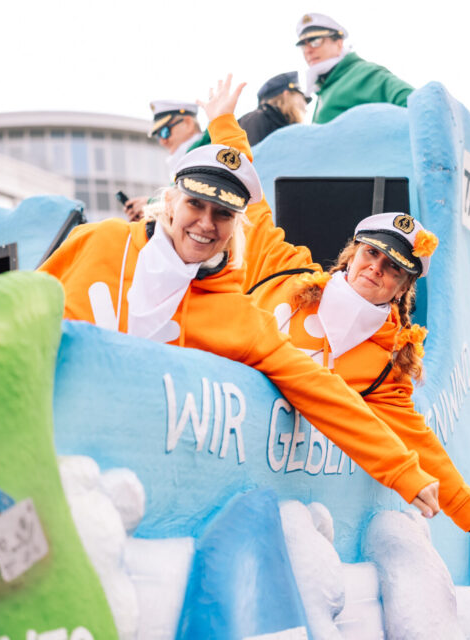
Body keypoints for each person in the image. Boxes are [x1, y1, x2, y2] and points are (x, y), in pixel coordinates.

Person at [39, 77, 446, 523]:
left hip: (130, 502)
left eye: (223, 214)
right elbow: (17, 306)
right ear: (171, 201)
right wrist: (222, 121)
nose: (206, 223)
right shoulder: (100, 241)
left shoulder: (235, 313)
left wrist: (410, 477)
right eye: (196, 205)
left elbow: (325, 394)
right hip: (37, 452)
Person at [203, 76, 470, 587]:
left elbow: (422, 452)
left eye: (393, 267)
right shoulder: (284, 269)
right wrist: (221, 122)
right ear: (352, 252)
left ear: (404, 287)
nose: (377, 269)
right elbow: (250, 203)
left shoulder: (384, 364)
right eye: (372, 254)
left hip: (259, 498)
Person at [295, 13, 414, 125]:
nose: (308, 51)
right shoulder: (325, 88)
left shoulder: (364, 73)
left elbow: (417, 103)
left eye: (316, 41)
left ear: (339, 43)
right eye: (303, 46)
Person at [189, 72, 310, 152]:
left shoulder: (273, 120)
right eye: (303, 99)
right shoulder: (259, 119)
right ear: (287, 94)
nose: (305, 106)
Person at [124, 100, 204, 221]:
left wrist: (151, 205)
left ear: (188, 123)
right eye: (158, 136)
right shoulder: (190, 159)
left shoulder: (204, 154)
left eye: (165, 132)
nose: (162, 141)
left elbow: (192, 200)